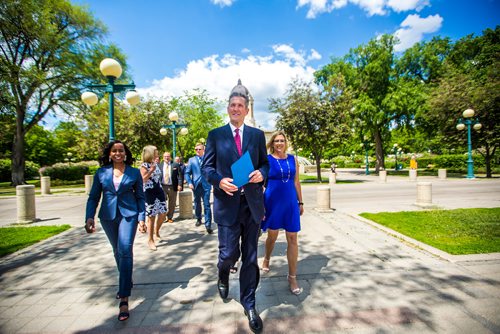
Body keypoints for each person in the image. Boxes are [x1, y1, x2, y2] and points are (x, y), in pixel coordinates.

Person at [202, 80, 269, 334]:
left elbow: (265, 164)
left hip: (251, 205)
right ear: (228, 108)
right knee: (229, 254)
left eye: (241, 105)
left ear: (247, 109)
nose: (236, 108)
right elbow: (206, 168)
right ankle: (222, 273)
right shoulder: (216, 135)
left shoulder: (256, 135)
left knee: (250, 257)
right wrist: (219, 181)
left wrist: (262, 174)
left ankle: (249, 303)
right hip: (227, 203)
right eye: (232, 105)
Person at [85, 140, 145, 322]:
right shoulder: (101, 173)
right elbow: (94, 197)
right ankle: (127, 278)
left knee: (125, 250)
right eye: (114, 151)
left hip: (129, 215)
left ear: (125, 153)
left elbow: (140, 197)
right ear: (110, 154)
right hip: (108, 217)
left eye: (121, 150)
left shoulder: (134, 173)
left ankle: (124, 297)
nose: (118, 153)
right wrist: (89, 217)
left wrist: (142, 218)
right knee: (117, 251)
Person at [260, 131, 304, 295]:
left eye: (282, 140)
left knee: (293, 237)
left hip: (290, 202)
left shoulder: (293, 159)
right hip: (272, 202)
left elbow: (296, 182)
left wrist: (300, 201)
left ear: (286, 142)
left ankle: (292, 277)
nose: (279, 143)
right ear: (272, 143)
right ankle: (266, 258)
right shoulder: (267, 160)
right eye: (276, 141)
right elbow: (260, 185)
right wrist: (261, 205)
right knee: (272, 235)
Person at [140, 145, 168, 251]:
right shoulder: (144, 166)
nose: (158, 152)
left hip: (158, 191)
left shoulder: (155, 163)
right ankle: (150, 239)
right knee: (151, 216)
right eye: (156, 151)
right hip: (149, 192)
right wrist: (151, 170)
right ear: (150, 153)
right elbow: (142, 179)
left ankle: (157, 231)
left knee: (163, 213)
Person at [185, 143, 213, 234]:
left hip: (206, 185)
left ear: (203, 150)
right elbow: (187, 173)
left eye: (199, 149)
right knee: (197, 203)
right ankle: (198, 218)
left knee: (207, 205)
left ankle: (208, 224)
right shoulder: (191, 160)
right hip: (196, 185)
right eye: (196, 149)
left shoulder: (208, 158)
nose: (197, 150)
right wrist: (189, 182)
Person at [159, 151, 182, 223]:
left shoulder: (175, 165)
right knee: (162, 202)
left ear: (170, 157)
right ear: (163, 158)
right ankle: (163, 216)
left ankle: (170, 217)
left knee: (172, 202)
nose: (166, 158)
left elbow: (180, 175)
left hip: (172, 186)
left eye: (168, 156)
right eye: (165, 156)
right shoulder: (159, 165)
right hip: (162, 186)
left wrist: (180, 184)